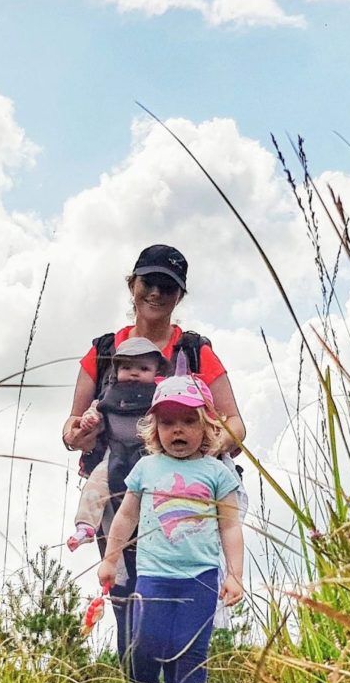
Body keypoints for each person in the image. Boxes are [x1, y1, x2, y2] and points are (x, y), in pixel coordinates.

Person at [61, 243, 248, 660]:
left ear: (180, 295)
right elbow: (71, 425)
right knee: (125, 590)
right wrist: (81, 434)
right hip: (117, 488)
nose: (157, 293)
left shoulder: (196, 352)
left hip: (184, 492)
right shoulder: (104, 351)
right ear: (132, 285)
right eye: (149, 282)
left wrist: (211, 445)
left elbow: (236, 423)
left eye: (169, 286)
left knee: (184, 587)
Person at [96, 376, 244, 683]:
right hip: (153, 575)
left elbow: (230, 526)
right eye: (167, 422)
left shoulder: (216, 472)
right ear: (154, 427)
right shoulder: (147, 467)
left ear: (207, 424)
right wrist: (110, 559)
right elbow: (126, 516)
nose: (178, 430)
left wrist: (234, 576)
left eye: (188, 420)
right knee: (145, 639)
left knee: (192, 650)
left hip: (201, 577)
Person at [66, 337, 165, 552]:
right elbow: (94, 412)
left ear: (156, 372)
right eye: (127, 367)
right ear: (116, 370)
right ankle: (85, 526)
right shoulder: (109, 396)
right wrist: (89, 421)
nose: (134, 373)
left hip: (152, 458)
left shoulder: (160, 396)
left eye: (144, 368)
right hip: (116, 455)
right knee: (95, 484)